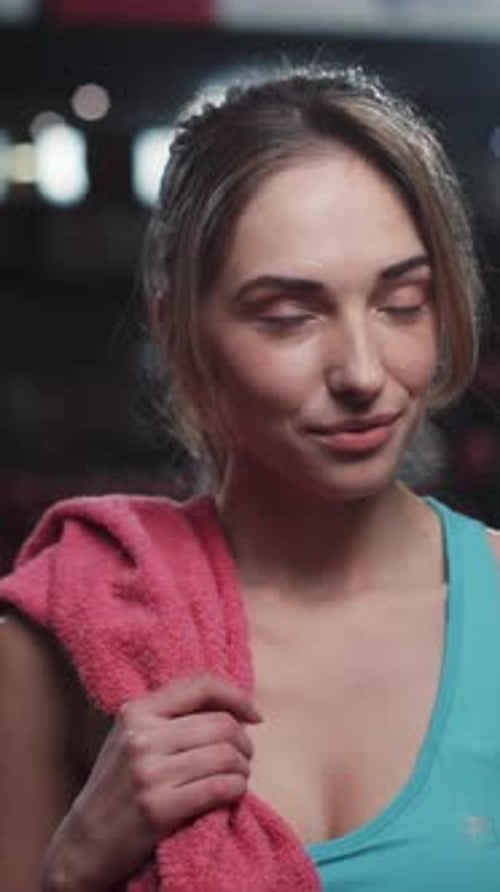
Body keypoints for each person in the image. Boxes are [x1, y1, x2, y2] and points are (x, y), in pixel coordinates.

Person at [0, 62, 499, 892]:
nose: (362, 370)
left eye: (402, 303)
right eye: (288, 316)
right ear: (178, 329)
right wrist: (76, 867)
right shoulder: (65, 634)